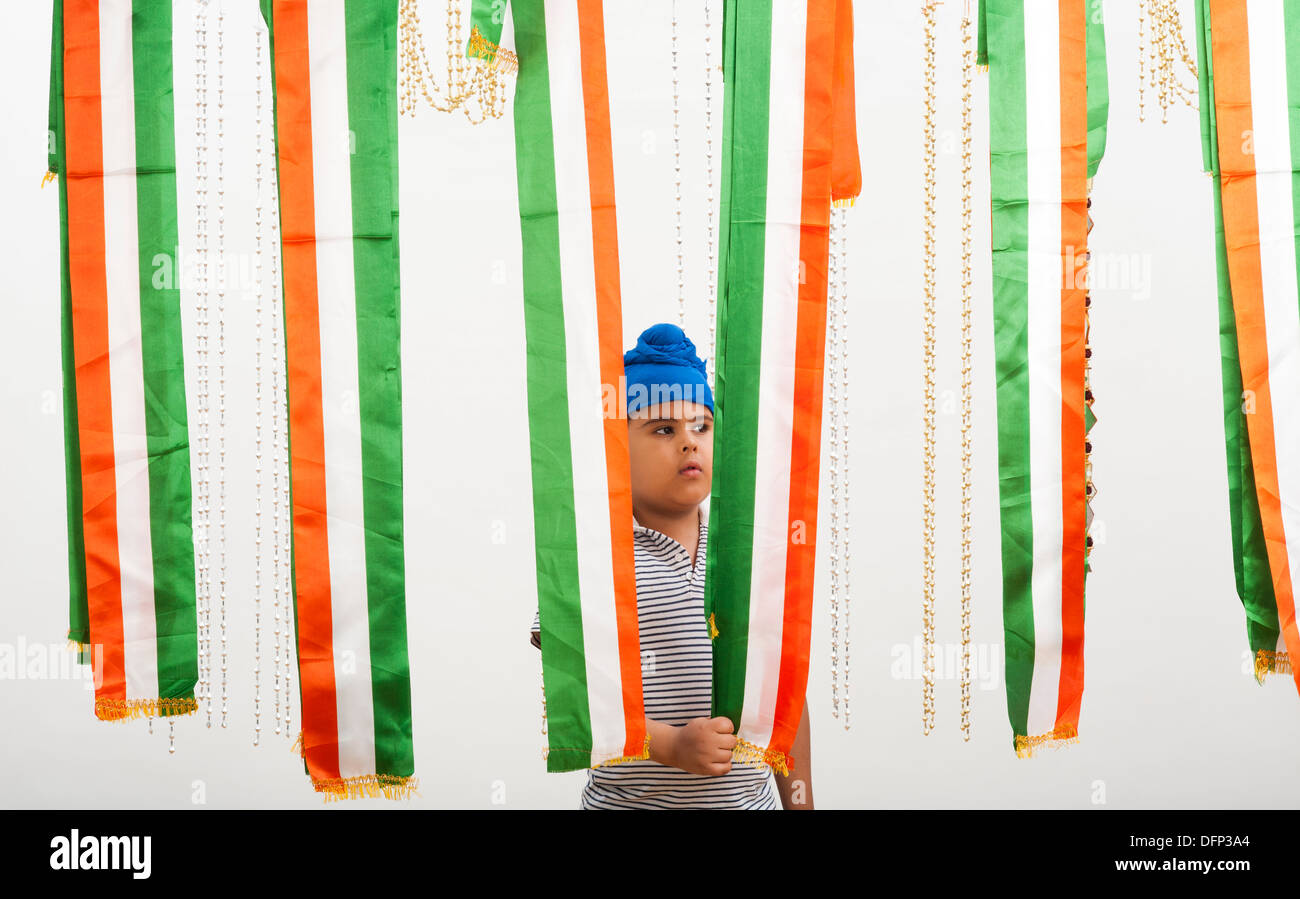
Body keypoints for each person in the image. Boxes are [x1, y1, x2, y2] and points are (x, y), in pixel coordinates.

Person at [530, 322, 813, 809]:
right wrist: (671, 746)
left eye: (701, 427)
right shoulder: (597, 559)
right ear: (617, 450)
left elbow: (785, 700)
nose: (689, 442)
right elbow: (572, 697)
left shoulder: (749, 558)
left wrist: (801, 803)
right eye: (663, 429)